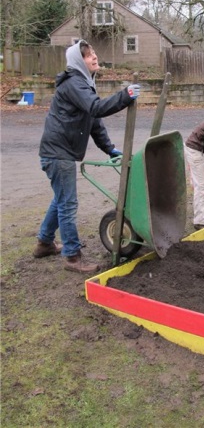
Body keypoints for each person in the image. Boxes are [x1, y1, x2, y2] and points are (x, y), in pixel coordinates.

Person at [34, 40, 141, 273]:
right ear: (77, 62)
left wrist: (110, 149)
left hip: (59, 152)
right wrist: (125, 96)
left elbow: (94, 123)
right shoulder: (74, 83)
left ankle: (44, 243)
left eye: (93, 52)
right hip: (57, 152)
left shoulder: (83, 84)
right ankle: (72, 257)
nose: (94, 57)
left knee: (61, 199)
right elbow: (96, 108)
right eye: (87, 55)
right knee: (67, 204)